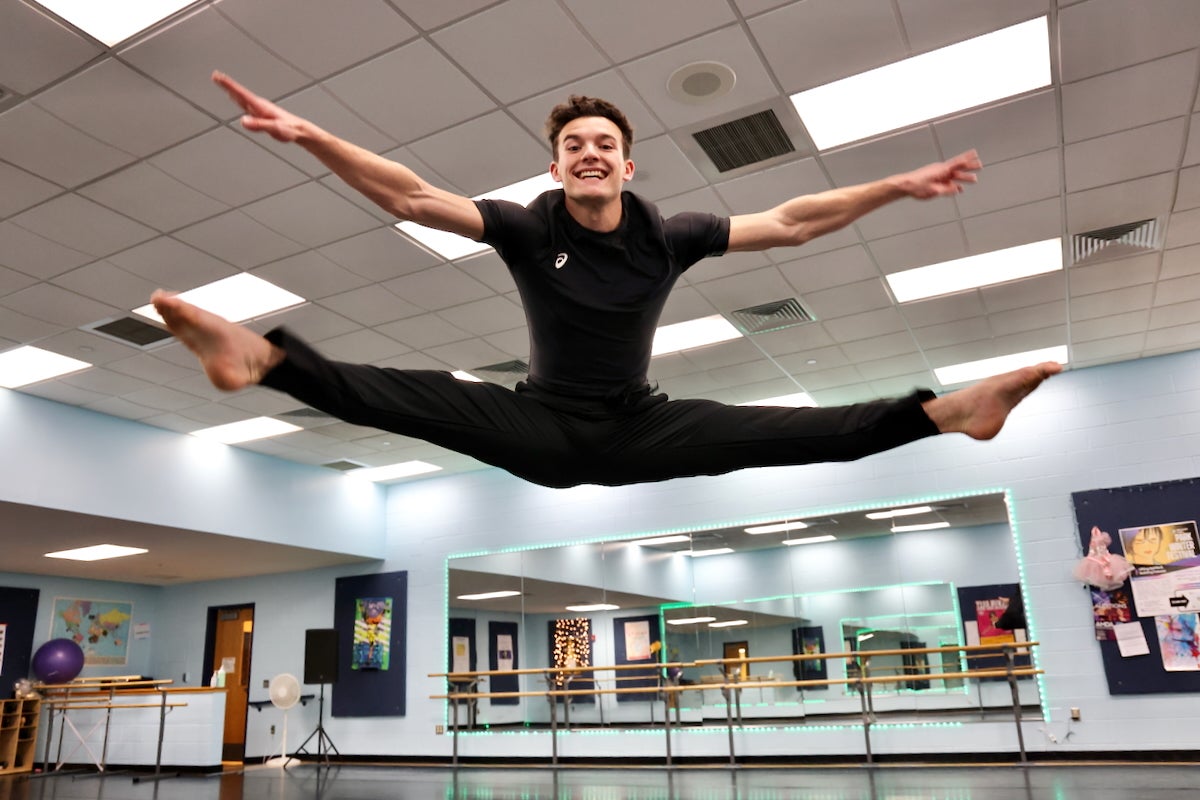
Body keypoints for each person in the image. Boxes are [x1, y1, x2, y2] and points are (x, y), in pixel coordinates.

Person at [151, 71, 1061, 489]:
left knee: (789, 433)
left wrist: (895, 186)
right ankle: (263, 360)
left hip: (640, 427)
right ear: (556, 170)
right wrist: (311, 135)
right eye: (573, 146)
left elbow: (790, 223)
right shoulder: (523, 223)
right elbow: (417, 197)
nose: (590, 154)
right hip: (539, 423)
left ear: (629, 169)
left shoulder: (672, 234)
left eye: (605, 146)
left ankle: (948, 413)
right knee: (411, 394)